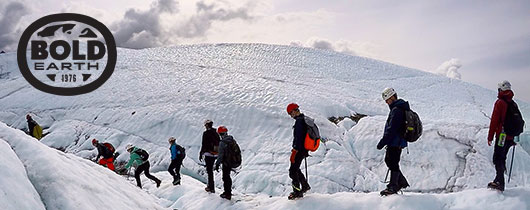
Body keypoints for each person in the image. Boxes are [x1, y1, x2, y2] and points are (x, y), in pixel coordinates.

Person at [376, 88, 410, 196]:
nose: (386, 102)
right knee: (390, 161)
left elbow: (392, 128)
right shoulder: (399, 108)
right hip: (398, 141)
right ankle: (401, 182)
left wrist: (383, 142)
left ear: (392, 97)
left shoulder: (396, 110)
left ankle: (393, 186)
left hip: (396, 141)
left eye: (387, 99)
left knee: (392, 162)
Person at [487, 81, 518, 191]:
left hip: (502, 137)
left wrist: (490, 137)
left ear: (500, 90)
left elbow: (494, 121)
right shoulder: (512, 103)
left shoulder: (500, 103)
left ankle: (500, 183)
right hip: (510, 137)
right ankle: (497, 180)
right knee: (502, 158)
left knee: (497, 159)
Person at [286, 103, 311, 200]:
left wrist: (294, 151)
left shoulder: (299, 122)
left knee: (292, 171)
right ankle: (305, 186)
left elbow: (299, 138)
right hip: (303, 150)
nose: (290, 115)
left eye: (290, 113)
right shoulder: (303, 119)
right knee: (296, 169)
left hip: (299, 150)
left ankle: (297, 192)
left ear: (294, 111)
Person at [215, 126, 235, 200]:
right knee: (228, 177)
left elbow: (220, 155)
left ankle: (227, 193)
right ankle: (228, 192)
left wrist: (217, 164)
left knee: (225, 177)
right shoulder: (231, 140)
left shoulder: (222, 143)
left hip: (226, 162)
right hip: (231, 161)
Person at [199, 119, 220, 193]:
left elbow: (203, 144)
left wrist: (201, 153)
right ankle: (211, 187)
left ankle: (210, 187)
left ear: (207, 125)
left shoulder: (206, 133)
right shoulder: (216, 133)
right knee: (211, 171)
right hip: (215, 154)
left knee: (209, 171)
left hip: (208, 154)